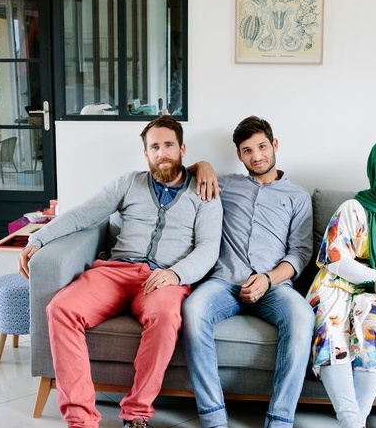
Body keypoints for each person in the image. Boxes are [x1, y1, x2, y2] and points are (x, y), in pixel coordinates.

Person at [16, 115, 223, 428]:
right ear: (146, 154)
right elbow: (83, 213)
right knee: (61, 308)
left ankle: (137, 413)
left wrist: (176, 274)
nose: (162, 152)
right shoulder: (129, 183)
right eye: (155, 147)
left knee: (166, 317)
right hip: (116, 271)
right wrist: (38, 239)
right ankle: (81, 419)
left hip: (164, 278)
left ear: (182, 149)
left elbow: (208, 249)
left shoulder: (203, 192)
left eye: (169, 145)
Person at [181, 115, 314, 428]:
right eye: (247, 150)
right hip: (224, 281)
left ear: (274, 145)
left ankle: (279, 421)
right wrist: (201, 165)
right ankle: (214, 418)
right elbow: (177, 178)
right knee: (193, 309)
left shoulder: (298, 196)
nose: (257, 156)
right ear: (239, 155)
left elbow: (301, 252)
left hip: (274, 286)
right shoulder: (224, 184)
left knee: (302, 317)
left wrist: (268, 279)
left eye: (262, 146)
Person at [306, 138, 376, 428]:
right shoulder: (353, 208)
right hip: (337, 286)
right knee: (331, 330)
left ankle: (356, 419)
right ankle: (350, 420)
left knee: (375, 332)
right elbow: (334, 259)